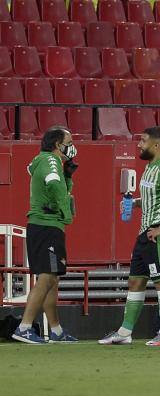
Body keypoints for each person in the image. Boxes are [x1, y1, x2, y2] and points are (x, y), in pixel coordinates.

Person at [99, 127, 160, 346]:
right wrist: (136, 203)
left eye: (143, 141)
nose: (139, 144)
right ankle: (125, 332)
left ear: (156, 145)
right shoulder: (149, 168)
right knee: (135, 281)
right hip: (144, 234)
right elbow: (158, 197)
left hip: (157, 235)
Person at [12, 126, 79, 344]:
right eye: (68, 142)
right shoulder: (50, 160)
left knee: (52, 279)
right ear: (58, 145)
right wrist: (65, 212)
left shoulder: (50, 162)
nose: (72, 146)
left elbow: (60, 185)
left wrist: (68, 175)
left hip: (48, 227)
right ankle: (24, 327)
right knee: (46, 278)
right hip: (46, 226)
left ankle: (56, 331)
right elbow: (54, 185)